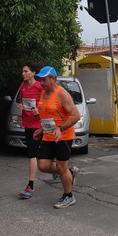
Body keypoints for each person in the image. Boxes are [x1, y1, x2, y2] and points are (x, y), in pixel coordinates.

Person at [34, 66, 81, 209]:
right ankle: (69, 171)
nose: (41, 82)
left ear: (53, 79)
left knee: (61, 168)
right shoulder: (43, 93)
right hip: (48, 136)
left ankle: (69, 196)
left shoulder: (62, 94)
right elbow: (48, 115)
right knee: (42, 165)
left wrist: (61, 129)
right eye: (40, 80)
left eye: (44, 79)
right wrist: (41, 129)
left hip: (63, 136)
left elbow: (76, 116)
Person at [17, 61, 43, 199]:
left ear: (33, 73)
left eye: (26, 71)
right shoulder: (22, 86)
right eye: (22, 71)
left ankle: (30, 187)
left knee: (32, 154)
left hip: (39, 125)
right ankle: (65, 171)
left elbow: (46, 104)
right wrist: (21, 106)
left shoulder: (40, 87)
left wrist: (39, 110)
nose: (23, 73)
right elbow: (22, 101)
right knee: (41, 155)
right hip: (27, 123)